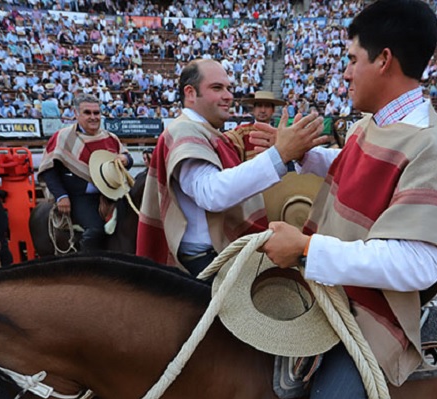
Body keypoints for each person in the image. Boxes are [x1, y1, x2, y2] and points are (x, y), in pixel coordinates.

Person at [258, 0, 437, 396]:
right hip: (332, 285)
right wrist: (301, 154)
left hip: (370, 312)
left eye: (353, 59)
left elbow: (419, 265)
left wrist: (306, 248)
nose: (347, 71)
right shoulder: (370, 124)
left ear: (384, 59)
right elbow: (360, 168)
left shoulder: (435, 146)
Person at [136, 59, 326, 276]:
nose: (228, 96)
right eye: (217, 88)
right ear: (190, 93)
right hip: (207, 260)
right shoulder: (184, 131)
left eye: (228, 88)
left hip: (219, 252)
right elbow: (212, 194)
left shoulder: (204, 131)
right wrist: (280, 155)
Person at [38, 93, 133, 251]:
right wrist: (61, 196)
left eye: (96, 113)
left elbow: (127, 158)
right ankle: (86, 265)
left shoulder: (110, 137)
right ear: (76, 114)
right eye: (87, 113)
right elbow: (49, 170)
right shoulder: (63, 137)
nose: (93, 117)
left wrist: (125, 159)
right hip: (80, 196)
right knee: (95, 230)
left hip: (113, 193)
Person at [225, 91, 286, 161]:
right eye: (259, 106)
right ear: (253, 109)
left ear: (273, 110)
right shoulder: (241, 132)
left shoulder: (278, 135)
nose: (263, 110)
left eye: (267, 106)